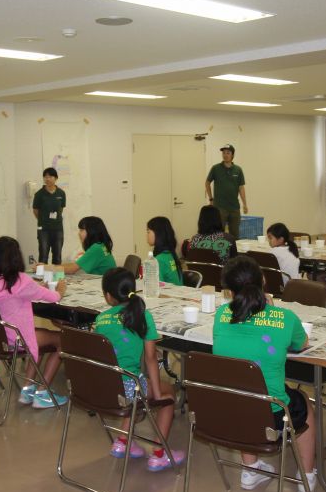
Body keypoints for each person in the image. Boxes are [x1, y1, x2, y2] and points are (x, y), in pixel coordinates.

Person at [212, 256, 316, 492]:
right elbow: (302, 343)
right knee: (304, 402)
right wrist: (271, 310)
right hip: (272, 414)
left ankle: (250, 470)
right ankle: (307, 476)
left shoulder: (220, 314)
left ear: (229, 291)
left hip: (227, 409)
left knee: (243, 393)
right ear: (263, 280)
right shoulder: (284, 317)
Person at [93, 268, 183, 471]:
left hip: (103, 386)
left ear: (108, 296)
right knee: (168, 393)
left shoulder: (100, 319)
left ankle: (123, 441)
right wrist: (158, 394)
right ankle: (159, 453)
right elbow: (151, 358)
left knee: (133, 386)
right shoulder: (143, 316)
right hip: (127, 387)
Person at [0, 236, 68, 409]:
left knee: (39, 335)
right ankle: (43, 392)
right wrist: (60, 289)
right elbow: (53, 297)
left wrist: (36, 287)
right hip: (17, 339)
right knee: (63, 340)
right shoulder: (21, 280)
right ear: (16, 256)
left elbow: (12, 295)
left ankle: (27, 389)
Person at [205, 144, 247, 237]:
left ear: (232, 155)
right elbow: (207, 183)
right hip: (220, 207)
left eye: (228, 153)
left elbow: (241, 188)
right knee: (218, 234)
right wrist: (211, 199)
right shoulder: (215, 168)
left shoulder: (238, 170)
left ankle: (233, 247)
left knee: (235, 235)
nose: (225, 155)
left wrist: (245, 204)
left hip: (234, 208)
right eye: (224, 153)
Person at [32, 167, 66, 265]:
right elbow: (35, 210)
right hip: (44, 229)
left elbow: (61, 209)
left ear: (56, 178)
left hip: (58, 228)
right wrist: (43, 220)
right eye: (45, 177)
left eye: (50, 176)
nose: (47, 179)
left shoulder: (61, 193)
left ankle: (57, 275)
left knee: (57, 256)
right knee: (43, 255)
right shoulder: (39, 194)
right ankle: (42, 275)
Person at [146, 217, 183, 285]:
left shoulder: (159, 260)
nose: (146, 235)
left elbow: (155, 287)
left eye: (148, 232)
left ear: (158, 234)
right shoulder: (170, 254)